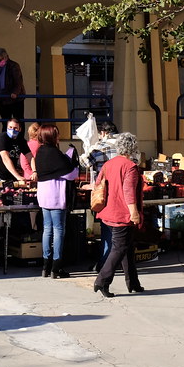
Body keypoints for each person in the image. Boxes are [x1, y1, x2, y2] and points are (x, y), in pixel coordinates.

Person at [93, 132, 145, 298]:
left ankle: (133, 283)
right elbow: (129, 192)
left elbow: (98, 184)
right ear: (133, 148)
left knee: (127, 247)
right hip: (122, 213)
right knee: (120, 248)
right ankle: (102, 280)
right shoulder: (130, 167)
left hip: (108, 210)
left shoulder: (109, 164)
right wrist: (134, 213)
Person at [32, 124, 78, 279]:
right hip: (56, 196)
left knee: (47, 229)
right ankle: (56, 267)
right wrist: (74, 164)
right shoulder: (55, 154)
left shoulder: (39, 152)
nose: (59, 137)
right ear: (52, 137)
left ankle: (45, 266)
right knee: (58, 230)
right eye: (57, 134)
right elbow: (70, 174)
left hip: (43, 195)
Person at [81, 120, 120, 272]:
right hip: (122, 191)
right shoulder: (126, 147)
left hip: (105, 192)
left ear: (103, 133)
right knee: (120, 231)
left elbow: (84, 163)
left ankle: (104, 264)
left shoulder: (99, 147)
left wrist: (87, 147)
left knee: (107, 229)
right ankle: (117, 263)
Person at [0, 118, 30, 184]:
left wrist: (34, 171)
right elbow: (5, 158)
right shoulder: (2, 137)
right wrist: (18, 176)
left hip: (11, 176)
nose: (12, 130)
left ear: (20, 129)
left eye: (15, 128)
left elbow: (30, 156)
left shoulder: (21, 140)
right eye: (10, 127)